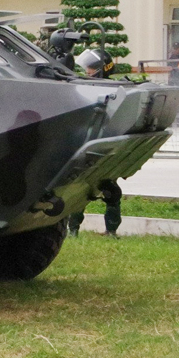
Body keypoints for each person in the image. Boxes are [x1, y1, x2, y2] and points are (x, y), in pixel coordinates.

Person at [68, 48, 124, 237]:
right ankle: (73, 229)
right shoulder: (85, 88)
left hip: (105, 146)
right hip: (86, 144)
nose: (87, 72)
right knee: (78, 192)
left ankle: (111, 230)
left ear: (103, 69)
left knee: (111, 191)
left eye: (91, 69)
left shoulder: (116, 91)